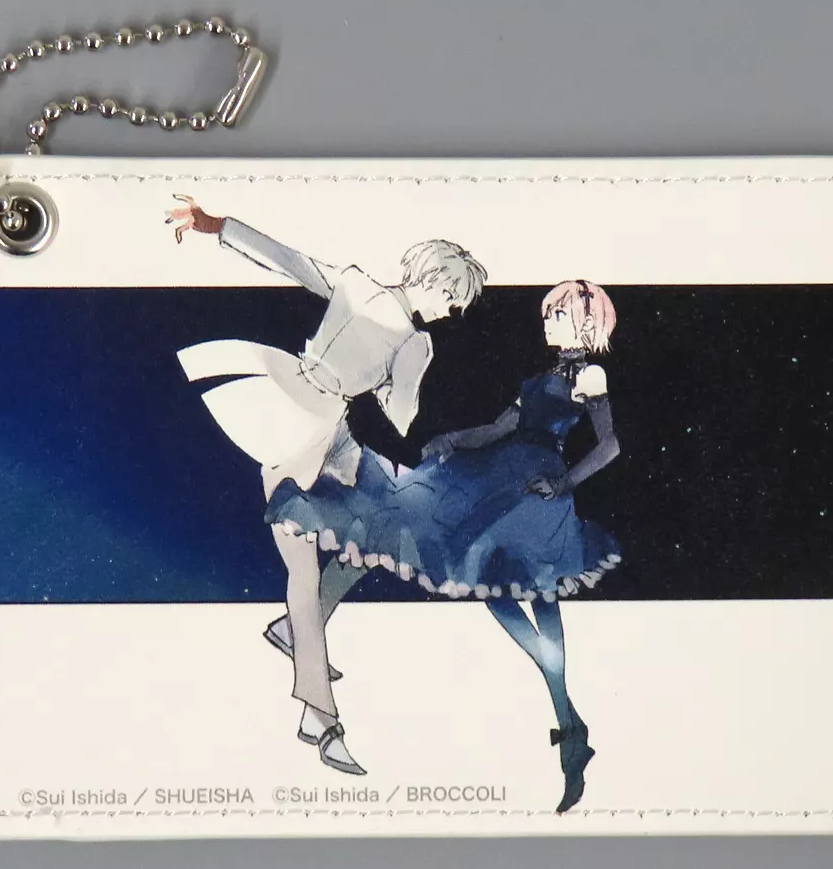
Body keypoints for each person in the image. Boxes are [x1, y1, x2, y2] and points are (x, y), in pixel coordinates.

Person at [264, 280, 622, 812]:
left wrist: (565, 482)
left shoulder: (589, 374)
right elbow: (497, 429)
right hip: (501, 481)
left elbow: (610, 444)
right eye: (549, 313)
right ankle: (569, 719)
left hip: (537, 492)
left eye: (558, 314)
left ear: (587, 323)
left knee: (535, 593)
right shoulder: (541, 377)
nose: (547, 321)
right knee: (492, 584)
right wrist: (454, 439)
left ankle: (568, 722)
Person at [166, 194, 488, 775]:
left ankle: (294, 627)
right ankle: (319, 714)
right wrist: (397, 381)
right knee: (305, 566)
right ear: (437, 282)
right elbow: (402, 417)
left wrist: (215, 225)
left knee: (385, 524)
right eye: (452, 300)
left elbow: (285, 258)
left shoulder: (355, 283)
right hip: (305, 428)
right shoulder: (416, 341)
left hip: (304, 406)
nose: (450, 312)